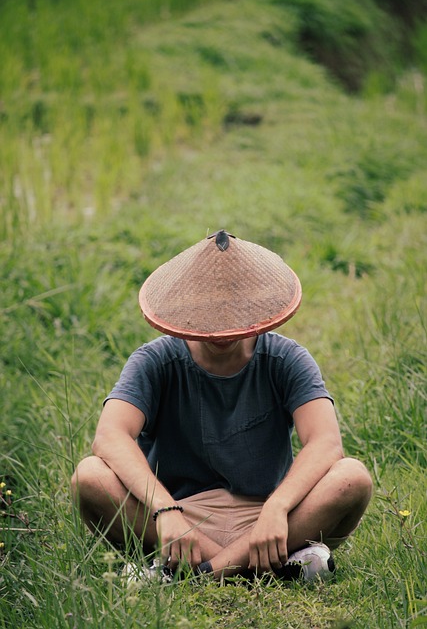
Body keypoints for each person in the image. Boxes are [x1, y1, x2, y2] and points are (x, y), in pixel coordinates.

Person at [71, 230, 372, 582]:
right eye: (209, 318)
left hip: (268, 519)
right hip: (179, 518)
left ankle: (195, 574)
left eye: (232, 317)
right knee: (89, 476)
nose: (221, 333)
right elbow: (110, 437)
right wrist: (165, 509)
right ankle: (264, 568)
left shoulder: (286, 358)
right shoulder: (155, 360)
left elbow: (325, 442)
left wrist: (277, 507)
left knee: (353, 477)